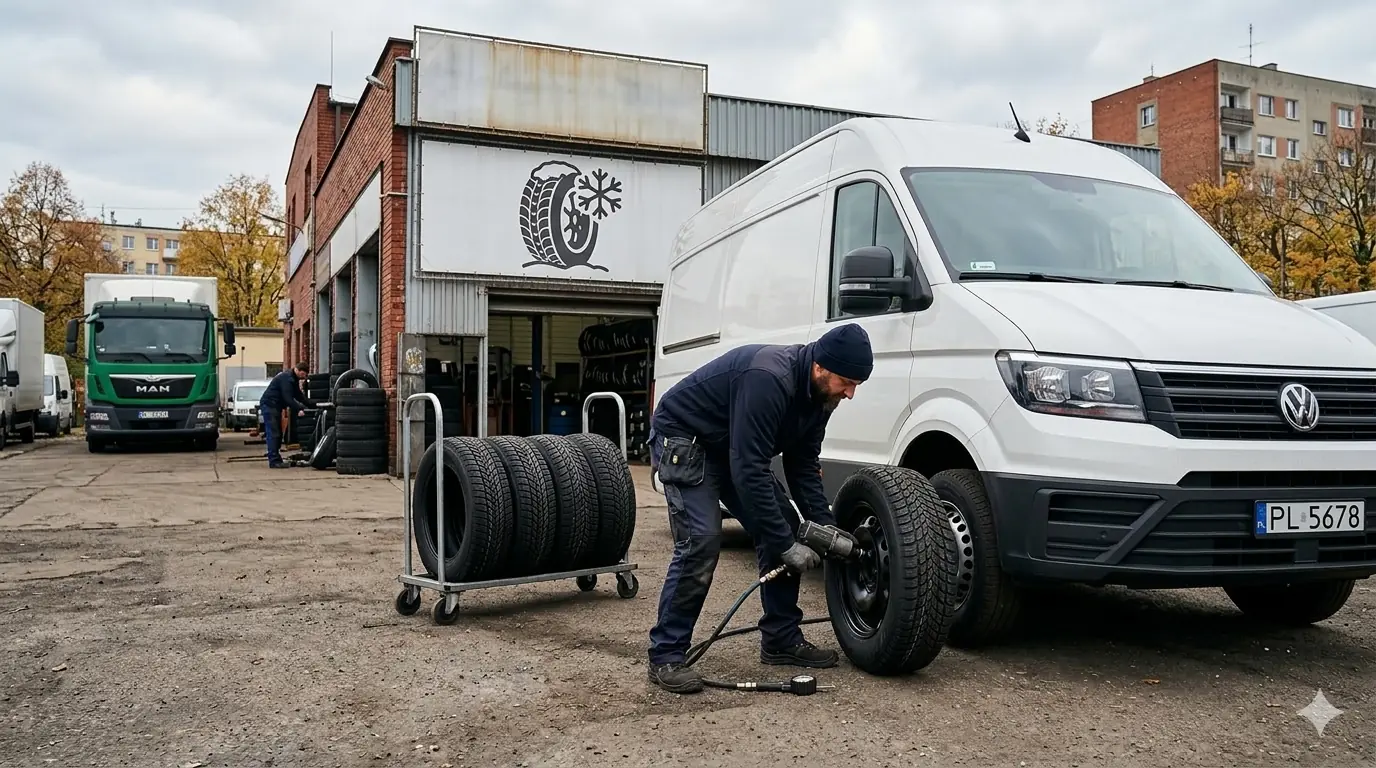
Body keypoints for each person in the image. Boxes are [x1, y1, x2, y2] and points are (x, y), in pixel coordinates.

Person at [644, 322, 874, 694]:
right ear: (820, 367)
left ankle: (780, 638)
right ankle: (666, 654)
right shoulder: (768, 378)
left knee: (782, 523)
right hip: (687, 438)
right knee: (702, 539)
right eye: (847, 383)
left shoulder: (821, 397)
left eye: (856, 386)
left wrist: (827, 530)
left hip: (732, 447)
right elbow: (748, 469)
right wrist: (786, 545)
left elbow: (802, 466)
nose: (850, 394)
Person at [259, 362, 312, 468]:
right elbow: (288, 398)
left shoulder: (293, 379)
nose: (304, 378)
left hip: (275, 406)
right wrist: (300, 409)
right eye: (303, 374)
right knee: (274, 433)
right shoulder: (287, 379)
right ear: (297, 370)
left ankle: (276, 458)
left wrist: (314, 404)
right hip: (270, 405)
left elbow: (299, 396)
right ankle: (274, 461)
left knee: (277, 433)